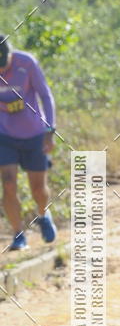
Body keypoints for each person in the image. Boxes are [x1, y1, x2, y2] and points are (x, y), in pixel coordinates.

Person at [0, 34, 57, 250]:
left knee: (38, 189)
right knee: (8, 183)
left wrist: (50, 130)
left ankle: (43, 214)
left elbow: (45, 95)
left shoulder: (27, 63)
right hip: (4, 135)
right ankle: (18, 233)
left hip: (34, 133)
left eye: (3, 66)